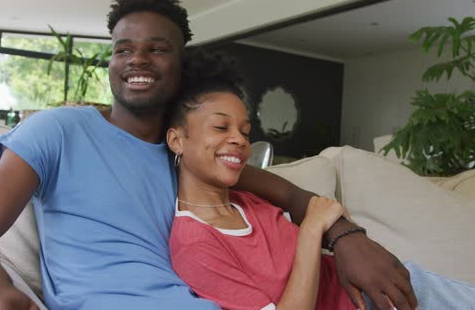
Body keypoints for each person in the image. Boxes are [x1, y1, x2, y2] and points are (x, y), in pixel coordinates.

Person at [0, 0, 417, 309]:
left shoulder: (186, 154)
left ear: (180, 62)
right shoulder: (57, 130)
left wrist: (350, 238)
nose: (137, 59)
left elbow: (292, 194)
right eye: (123, 49)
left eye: (157, 48)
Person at [167, 49, 475, 310]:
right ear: (177, 140)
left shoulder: (251, 202)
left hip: (396, 289)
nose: (239, 140)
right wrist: (312, 229)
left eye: (245, 131)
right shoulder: (195, 246)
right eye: (221, 128)